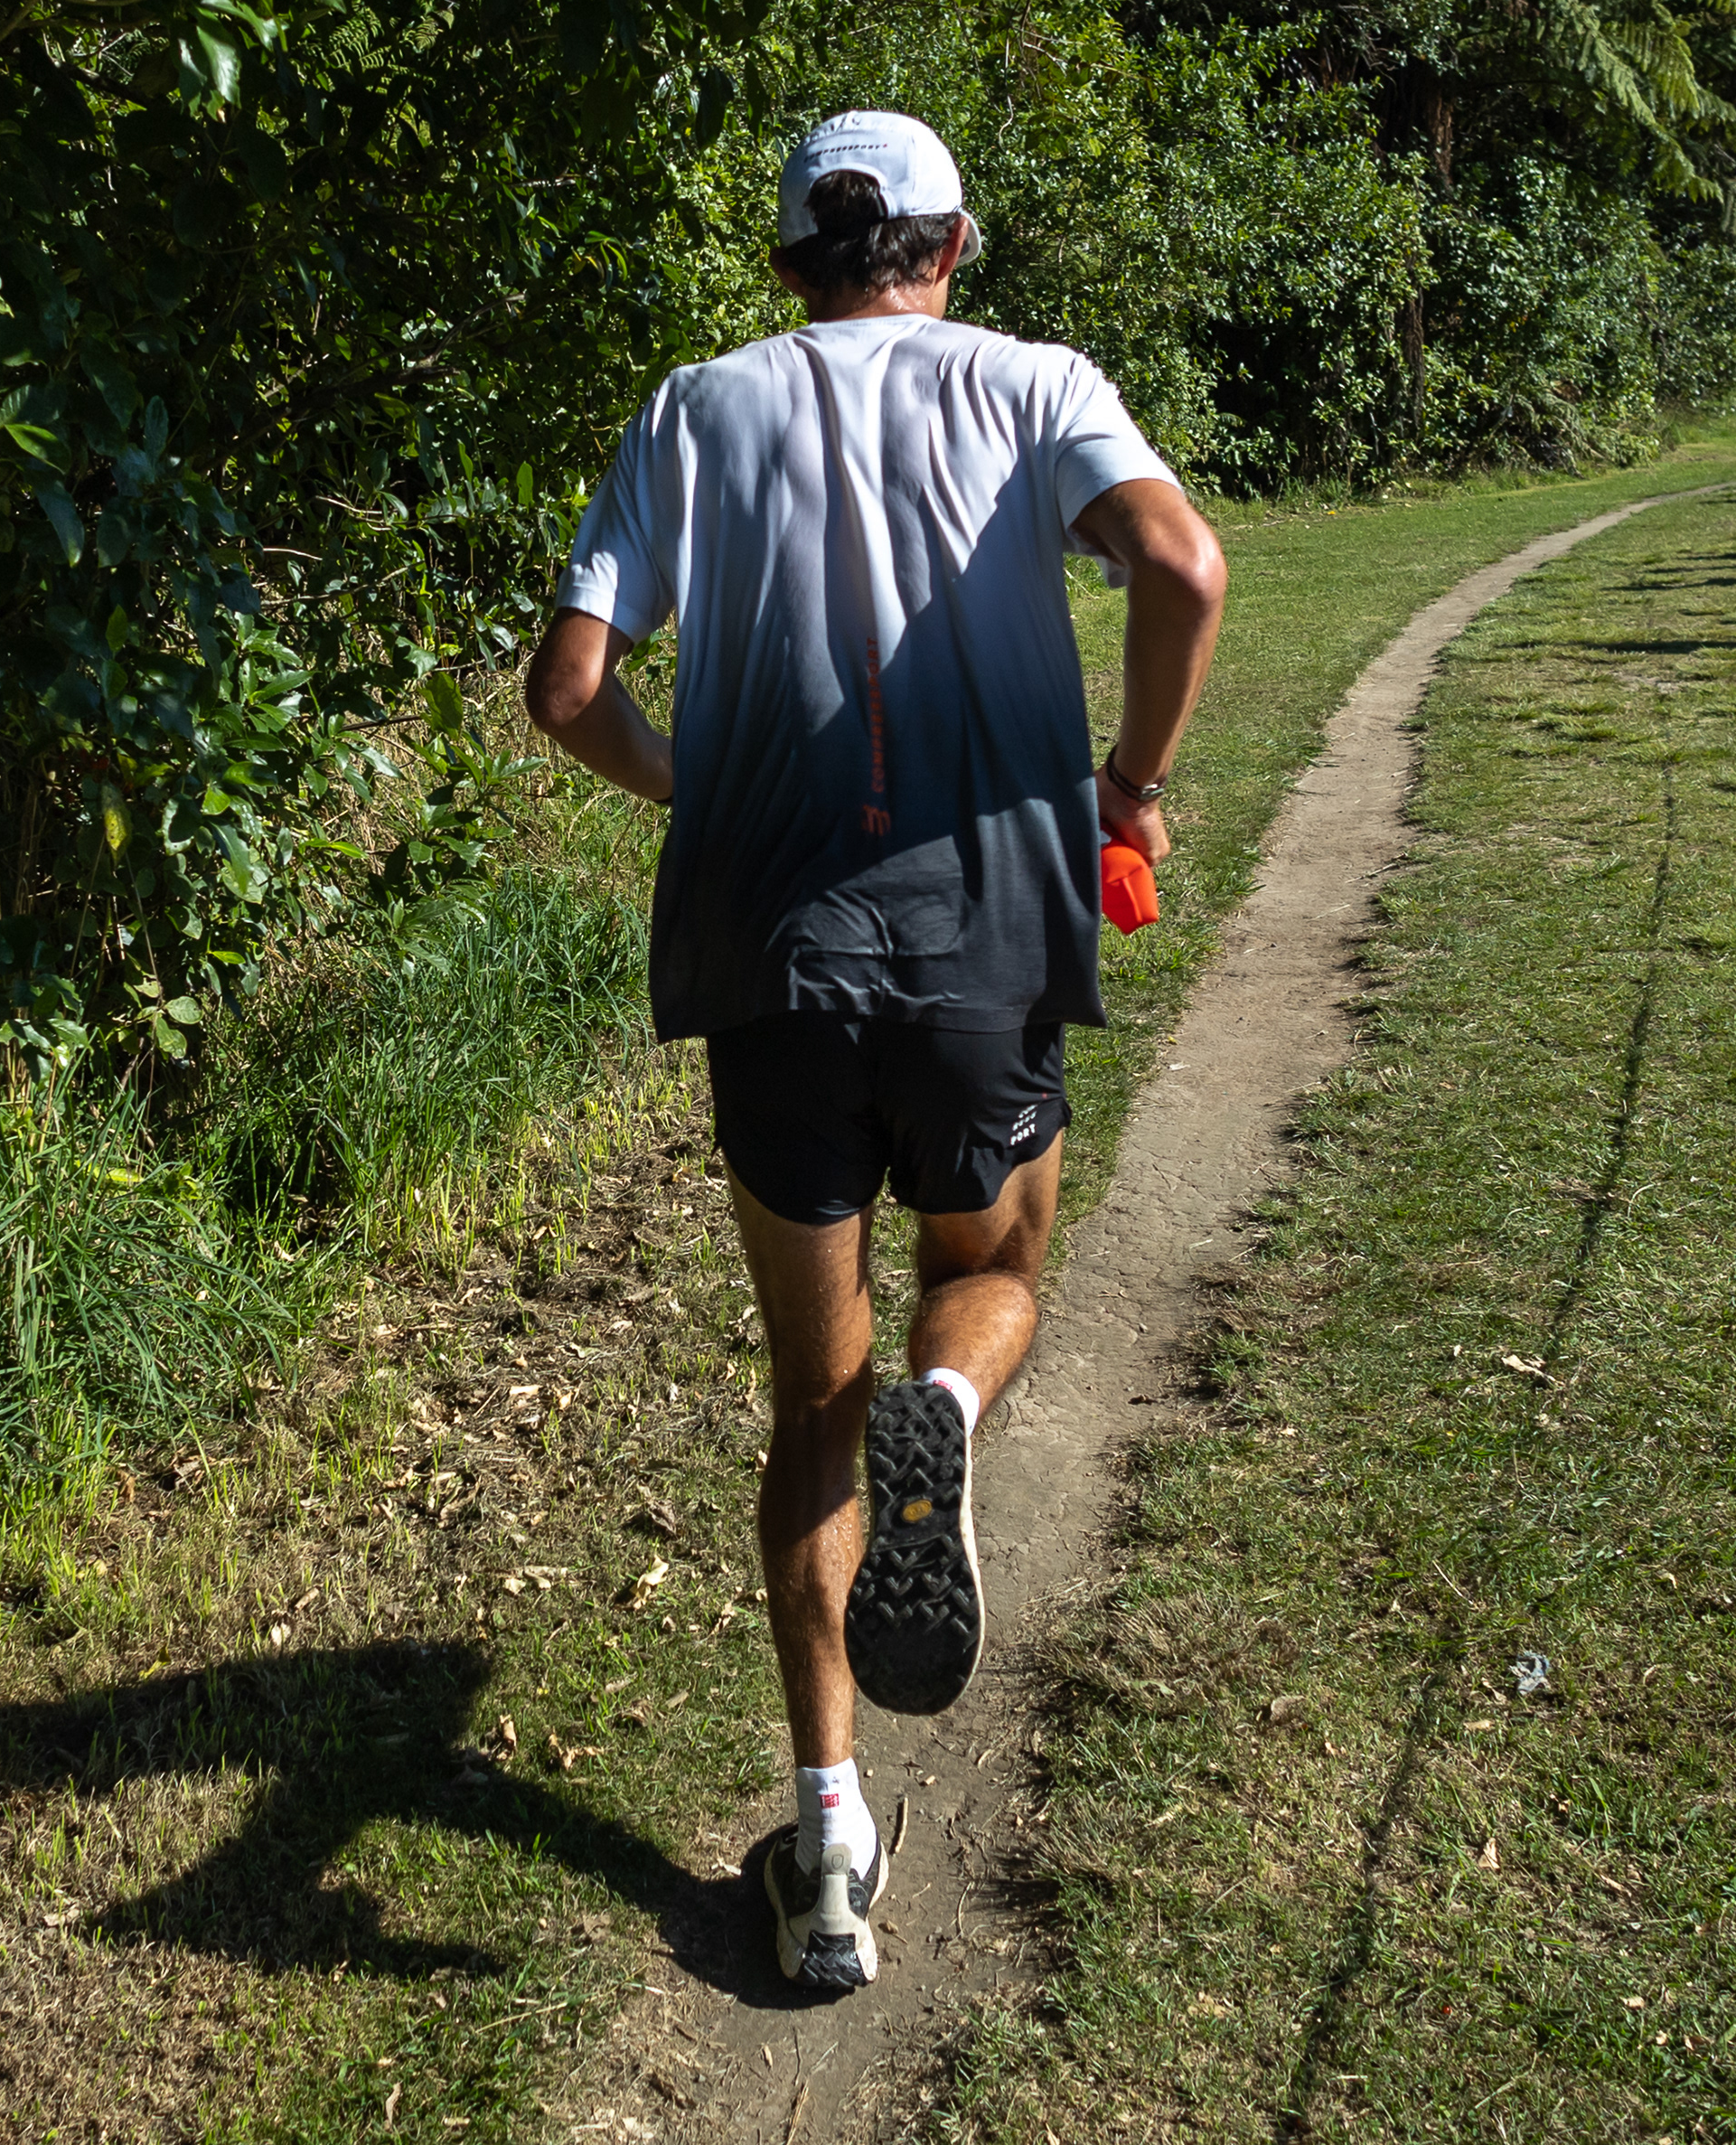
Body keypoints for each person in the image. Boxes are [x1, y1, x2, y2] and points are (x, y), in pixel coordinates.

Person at [524, 109, 1225, 1994]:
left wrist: (697, 780)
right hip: (986, 922)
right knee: (990, 1266)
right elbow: (1183, 561)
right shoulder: (1034, 380)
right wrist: (1132, 783)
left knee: (805, 1400)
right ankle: (963, 1410)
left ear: (786, 268)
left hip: (765, 948)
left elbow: (568, 688)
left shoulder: (693, 407)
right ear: (955, 240)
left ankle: (826, 1841)